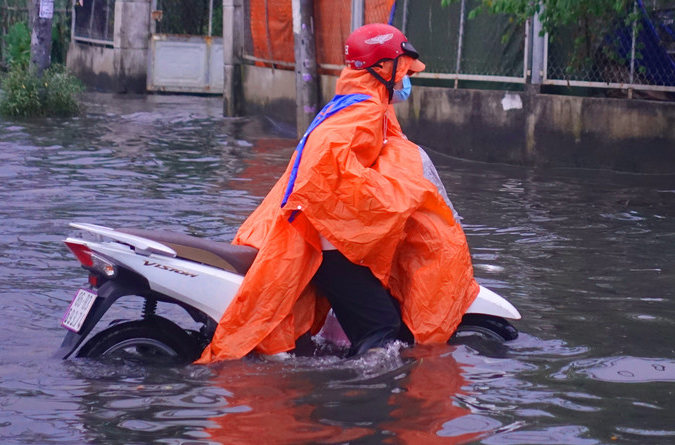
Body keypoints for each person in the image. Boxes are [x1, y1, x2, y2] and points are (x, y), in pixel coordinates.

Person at [198, 23, 478, 362]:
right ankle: (364, 403)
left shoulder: (350, 103)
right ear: (382, 69)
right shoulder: (366, 111)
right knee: (382, 330)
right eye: (403, 70)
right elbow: (323, 168)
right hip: (330, 242)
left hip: (317, 235)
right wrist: (397, 199)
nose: (406, 80)